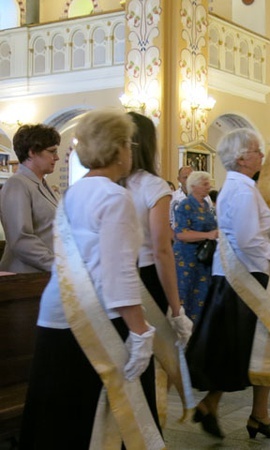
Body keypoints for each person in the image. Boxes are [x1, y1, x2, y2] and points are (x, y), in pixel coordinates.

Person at [20, 109, 162, 448]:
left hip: (56, 316)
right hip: (98, 321)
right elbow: (118, 272)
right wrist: (141, 331)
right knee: (107, 417)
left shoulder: (73, 193)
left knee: (61, 420)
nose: (130, 151)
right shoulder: (114, 196)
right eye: (128, 144)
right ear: (117, 149)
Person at [186, 128, 270, 440]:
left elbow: (254, 232)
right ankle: (256, 415)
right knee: (254, 346)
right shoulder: (240, 190)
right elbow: (246, 240)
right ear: (240, 157)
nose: (262, 155)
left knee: (244, 349)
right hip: (246, 279)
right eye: (256, 150)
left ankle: (227, 408)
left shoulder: (245, 187)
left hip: (246, 276)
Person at [125, 111, 192, 333]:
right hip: (146, 275)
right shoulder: (152, 185)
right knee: (153, 347)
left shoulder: (104, 183)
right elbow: (161, 250)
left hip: (110, 276)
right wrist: (176, 310)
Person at [0, 123, 60, 273]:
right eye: (52, 151)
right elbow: (21, 238)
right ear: (32, 152)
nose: (57, 157)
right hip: (23, 277)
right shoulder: (17, 184)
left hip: (42, 273)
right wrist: (58, 266)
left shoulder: (42, 184)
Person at [174, 170, 218, 321]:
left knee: (202, 294)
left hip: (203, 258)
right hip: (187, 258)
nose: (208, 187)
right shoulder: (185, 205)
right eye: (205, 184)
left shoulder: (205, 205)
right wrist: (207, 235)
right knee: (186, 294)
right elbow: (180, 234)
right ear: (193, 186)